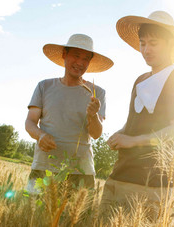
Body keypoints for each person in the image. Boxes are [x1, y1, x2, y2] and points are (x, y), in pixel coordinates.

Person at [101, 11, 174, 211]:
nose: (146, 50)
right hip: (119, 174)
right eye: (143, 43)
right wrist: (120, 133)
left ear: (170, 44)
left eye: (153, 43)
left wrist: (135, 141)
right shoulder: (140, 80)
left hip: (151, 183)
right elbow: (134, 120)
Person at [25, 34, 113, 192]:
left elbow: (96, 134)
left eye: (86, 58)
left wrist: (92, 115)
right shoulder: (44, 86)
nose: (80, 62)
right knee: (32, 215)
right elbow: (30, 122)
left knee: (79, 217)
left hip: (81, 172)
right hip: (44, 167)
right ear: (64, 55)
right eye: (76, 55)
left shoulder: (97, 93)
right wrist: (40, 135)